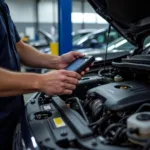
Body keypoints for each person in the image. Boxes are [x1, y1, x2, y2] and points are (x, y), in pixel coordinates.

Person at [0, 0, 90, 149]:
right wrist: (40, 82)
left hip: (11, 116)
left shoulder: (2, 6)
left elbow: (19, 48)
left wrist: (57, 61)